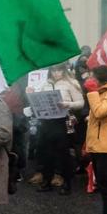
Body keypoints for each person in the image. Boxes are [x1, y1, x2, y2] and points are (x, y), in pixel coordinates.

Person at [29, 63, 83, 195]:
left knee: (63, 154)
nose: (56, 73)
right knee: (45, 153)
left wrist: (67, 104)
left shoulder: (71, 82)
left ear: (64, 70)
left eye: (59, 70)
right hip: (47, 122)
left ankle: (67, 183)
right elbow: (37, 102)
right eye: (53, 70)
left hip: (62, 121)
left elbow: (81, 102)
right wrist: (31, 96)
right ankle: (47, 181)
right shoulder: (45, 84)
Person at [85, 66, 107, 214]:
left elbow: (100, 112)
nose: (90, 79)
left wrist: (93, 93)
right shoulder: (103, 93)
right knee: (104, 188)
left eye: (93, 77)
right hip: (99, 147)